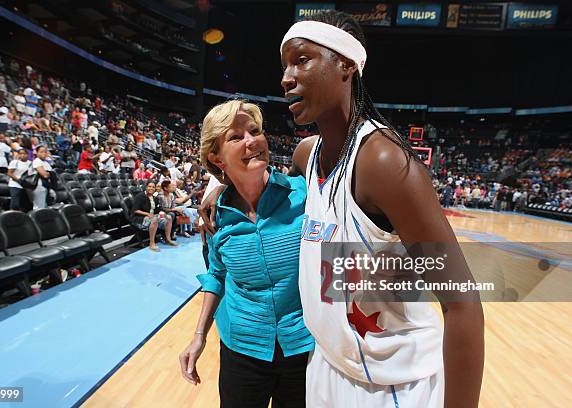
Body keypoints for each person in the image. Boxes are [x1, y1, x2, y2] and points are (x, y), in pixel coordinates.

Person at [278, 11, 483, 407]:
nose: (286, 77)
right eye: (285, 65)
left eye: (301, 60)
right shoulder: (307, 154)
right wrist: (222, 185)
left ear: (346, 65)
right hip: (325, 366)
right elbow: (278, 182)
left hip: (390, 385)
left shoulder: (383, 162)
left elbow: (463, 304)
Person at [180, 100, 314, 407]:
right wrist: (199, 334)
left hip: (302, 347)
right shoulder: (216, 218)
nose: (251, 141)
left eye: (255, 131)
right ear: (216, 157)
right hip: (242, 349)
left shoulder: (305, 195)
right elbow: (217, 275)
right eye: (235, 137)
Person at [131, 181, 177, 251]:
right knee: (155, 219)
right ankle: (152, 243)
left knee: (169, 217)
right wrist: (147, 214)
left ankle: (168, 239)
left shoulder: (155, 197)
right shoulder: (140, 196)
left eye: (153, 187)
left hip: (152, 216)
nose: (151, 188)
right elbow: (135, 210)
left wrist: (163, 213)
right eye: (149, 186)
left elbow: (158, 209)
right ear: (146, 187)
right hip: (140, 218)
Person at [31, 145, 53, 209]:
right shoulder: (37, 161)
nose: (44, 153)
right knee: (39, 207)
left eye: (45, 152)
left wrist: (49, 174)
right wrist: (49, 174)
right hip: (39, 186)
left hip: (46, 185)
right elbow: (44, 174)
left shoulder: (46, 163)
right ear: (37, 153)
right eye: (41, 152)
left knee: (45, 206)